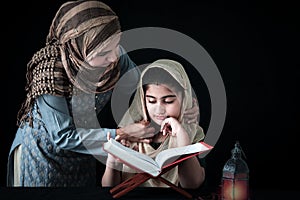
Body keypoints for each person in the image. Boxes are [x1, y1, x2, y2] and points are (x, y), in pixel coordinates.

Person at [7, 1, 199, 187]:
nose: (114, 57)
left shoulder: (114, 55)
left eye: (117, 45)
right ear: (79, 50)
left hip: (87, 148)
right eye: (104, 53)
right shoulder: (50, 72)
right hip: (44, 154)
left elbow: (147, 85)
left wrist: (185, 102)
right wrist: (121, 133)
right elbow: (63, 136)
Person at [102, 59, 206, 189]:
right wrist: (112, 160)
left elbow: (192, 184)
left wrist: (183, 143)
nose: (159, 110)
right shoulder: (131, 132)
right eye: (151, 101)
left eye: (168, 101)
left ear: (184, 98)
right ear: (142, 100)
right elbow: (108, 187)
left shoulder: (193, 132)